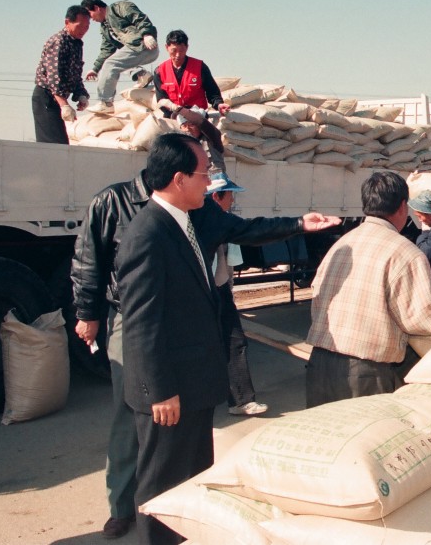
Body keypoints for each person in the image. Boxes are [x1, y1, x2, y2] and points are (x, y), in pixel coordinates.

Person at [71, 134, 339, 541]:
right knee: (161, 480)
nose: (210, 183)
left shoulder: (192, 216)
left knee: (192, 474)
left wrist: (301, 223)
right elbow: (143, 323)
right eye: (204, 174)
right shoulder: (145, 234)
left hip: (193, 379)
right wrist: (160, 390)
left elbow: (246, 229)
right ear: (179, 179)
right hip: (167, 383)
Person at [306, 172, 431, 407]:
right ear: (402, 206)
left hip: (319, 364)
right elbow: (423, 320)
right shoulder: (405, 252)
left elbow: (316, 294)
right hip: (364, 372)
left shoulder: (342, 244)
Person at [207, 174, 268, 416]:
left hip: (219, 289)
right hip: (204, 293)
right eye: (230, 195)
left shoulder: (223, 222)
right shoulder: (202, 222)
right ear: (216, 196)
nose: (232, 200)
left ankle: (241, 400)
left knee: (234, 341)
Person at [81, 0, 159, 112]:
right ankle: (142, 74)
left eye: (89, 14)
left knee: (111, 64)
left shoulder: (120, 8)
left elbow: (139, 18)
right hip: (133, 50)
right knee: (115, 61)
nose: (91, 19)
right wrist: (95, 69)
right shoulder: (105, 28)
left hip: (144, 45)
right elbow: (106, 50)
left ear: (97, 8)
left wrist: (147, 34)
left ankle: (105, 102)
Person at [32, 5, 91, 143]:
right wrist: (64, 104)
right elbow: (54, 76)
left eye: (87, 26)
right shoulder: (59, 41)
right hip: (46, 97)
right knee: (54, 143)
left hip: (58, 99)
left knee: (61, 142)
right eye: (80, 25)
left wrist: (81, 94)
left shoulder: (76, 44)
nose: (84, 30)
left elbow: (75, 74)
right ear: (67, 22)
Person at [153, 30, 230, 117]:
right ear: (167, 47)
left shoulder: (200, 67)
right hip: (173, 116)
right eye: (174, 50)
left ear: (187, 48)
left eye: (181, 50)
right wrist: (176, 113)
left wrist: (219, 104)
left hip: (197, 115)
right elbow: (161, 100)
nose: (178, 55)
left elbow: (212, 92)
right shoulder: (159, 71)